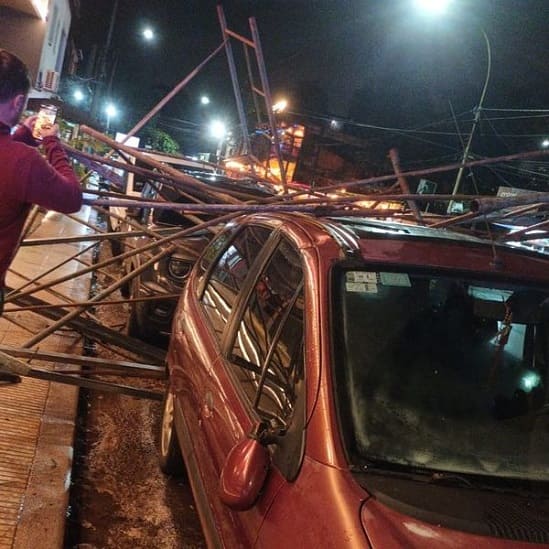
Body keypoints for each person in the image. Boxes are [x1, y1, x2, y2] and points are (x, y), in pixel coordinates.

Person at [0, 49, 82, 382]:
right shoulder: (22, 162)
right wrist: (52, 143)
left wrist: (21, 136)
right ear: (19, 102)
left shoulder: (16, 155)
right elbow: (71, 196)